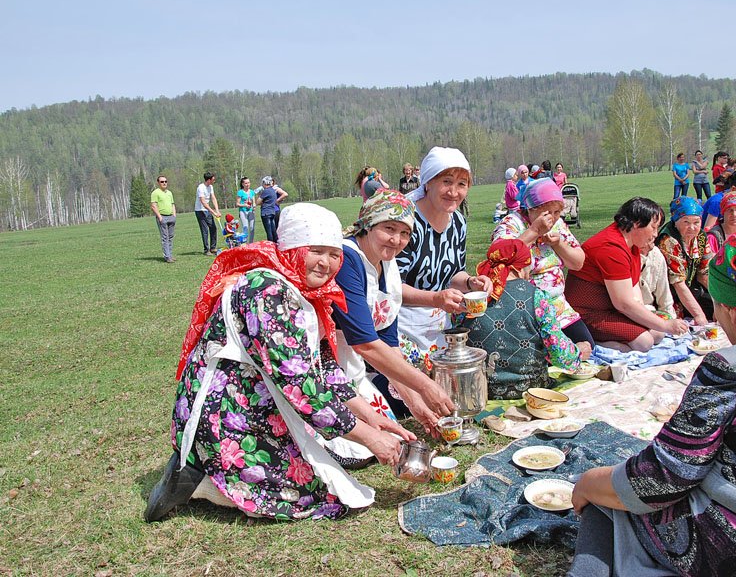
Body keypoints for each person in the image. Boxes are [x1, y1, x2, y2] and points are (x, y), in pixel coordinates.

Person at [144, 203, 412, 523]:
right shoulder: (266, 289)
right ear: (294, 249)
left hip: (256, 399)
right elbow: (301, 385)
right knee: (311, 495)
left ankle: (207, 473)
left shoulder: (306, 290)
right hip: (225, 410)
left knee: (318, 477)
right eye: (316, 251)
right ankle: (198, 478)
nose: (326, 263)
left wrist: (372, 419)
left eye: (334, 254)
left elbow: (324, 368)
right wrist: (371, 438)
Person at [568, 232, 736, 577]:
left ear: (731, 312)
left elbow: (661, 480)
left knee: (609, 502)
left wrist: (588, 482)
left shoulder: (732, 370)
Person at [331, 190, 455, 454]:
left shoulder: (387, 265)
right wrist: (426, 385)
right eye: (389, 228)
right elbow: (365, 344)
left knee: (388, 435)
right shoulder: (347, 260)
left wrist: (416, 404)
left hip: (353, 368)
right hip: (328, 369)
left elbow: (389, 344)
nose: (397, 240)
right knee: (361, 450)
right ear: (368, 224)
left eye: (405, 233)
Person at [395, 146, 492, 376]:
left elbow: (453, 274)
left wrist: (470, 282)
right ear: (428, 182)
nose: (454, 192)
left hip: (439, 325)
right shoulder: (407, 223)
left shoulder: (457, 222)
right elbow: (390, 287)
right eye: (446, 181)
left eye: (462, 184)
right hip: (400, 327)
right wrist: (436, 298)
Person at [463, 239, 584, 399]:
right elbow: (558, 353)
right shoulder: (537, 297)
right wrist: (578, 353)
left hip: (481, 392)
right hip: (532, 391)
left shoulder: (472, 299)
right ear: (521, 267)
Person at [564, 197, 688, 352]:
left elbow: (634, 294)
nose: (656, 234)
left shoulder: (632, 244)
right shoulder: (611, 248)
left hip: (608, 310)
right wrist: (664, 324)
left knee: (657, 334)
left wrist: (657, 323)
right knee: (644, 342)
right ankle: (592, 342)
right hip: (587, 313)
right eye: (654, 227)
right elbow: (623, 303)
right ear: (637, 223)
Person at [492, 177, 594, 351]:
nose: (552, 219)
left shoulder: (557, 225)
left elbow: (578, 263)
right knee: (548, 356)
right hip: (526, 309)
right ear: (530, 209)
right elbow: (499, 258)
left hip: (558, 307)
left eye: (557, 212)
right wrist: (533, 231)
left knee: (586, 346)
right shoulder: (512, 224)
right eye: (547, 213)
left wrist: (558, 244)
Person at [655, 196, 714, 325]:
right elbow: (678, 283)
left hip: (691, 289)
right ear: (676, 222)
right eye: (686, 222)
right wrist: (699, 315)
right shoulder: (668, 240)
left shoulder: (701, 237)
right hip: (670, 294)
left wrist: (719, 302)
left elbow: (704, 274)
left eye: (696, 222)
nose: (692, 228)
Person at [637, 241, 676, 319]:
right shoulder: (624, 253)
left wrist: (671, 319)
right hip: (628, 313)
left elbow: (664, 296)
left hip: (649, 312)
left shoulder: (656, 254)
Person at [150, 174, 176, 263]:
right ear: (158, 183)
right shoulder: (155, 193)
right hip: (162, 217)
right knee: (165, 237)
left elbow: (172, 204)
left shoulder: (169, 193)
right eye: (162, 182)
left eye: (165, 181)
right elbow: (153, 206)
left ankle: (170, 255)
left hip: (171, 217)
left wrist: (174, 215)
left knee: (171, 237)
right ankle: (167, 256)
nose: (164, 183)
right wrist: (160, 217)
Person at [195, 171, 221, 256]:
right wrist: (213, 212)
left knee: (213, 228)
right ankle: (206, 250)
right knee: (205, 230)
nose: (214, 180)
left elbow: (213, 198)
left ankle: (213, 248)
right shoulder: (201, 188)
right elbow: (203, 202)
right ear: (209, 180)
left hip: (207, 210)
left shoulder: (210, 187)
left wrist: (217, 210)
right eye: (213, 179)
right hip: (200, 211)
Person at [256, 175, 278, 242]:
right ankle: (276, 243)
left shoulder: (266, 191)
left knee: (269, 232)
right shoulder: (273, 190)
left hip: (266, 213)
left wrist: (259, 196)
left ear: (265, 183)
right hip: (272, 212)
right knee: (273, 230)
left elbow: (258, 202)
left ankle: (271, 244)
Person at [236, 177, 256, 244]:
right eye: (246, 183)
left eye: (248, 183)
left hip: (251, 211)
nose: (247, 184)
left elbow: (253, 201)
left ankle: (251, 243)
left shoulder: (252, 192)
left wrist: (254, 206)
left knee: (252, 227)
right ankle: (244, 242)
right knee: (245, 227)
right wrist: (244, 205)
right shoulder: (240, 192)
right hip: (243, 211)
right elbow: (237, 204)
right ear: (243, 184)